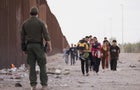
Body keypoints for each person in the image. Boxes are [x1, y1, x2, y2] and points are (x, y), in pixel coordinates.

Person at [21, 7, 52, 90]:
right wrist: (49, 46)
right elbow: (46, 36)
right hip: (39, 46)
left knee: (31, 66)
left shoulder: (25, 23)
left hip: (29, 46)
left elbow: (22, 37)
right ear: (37, 13)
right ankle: (44, 85)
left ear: (30, 13)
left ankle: (33, 85)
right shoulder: (41, 23)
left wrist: (24, 48)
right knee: (42, 65)